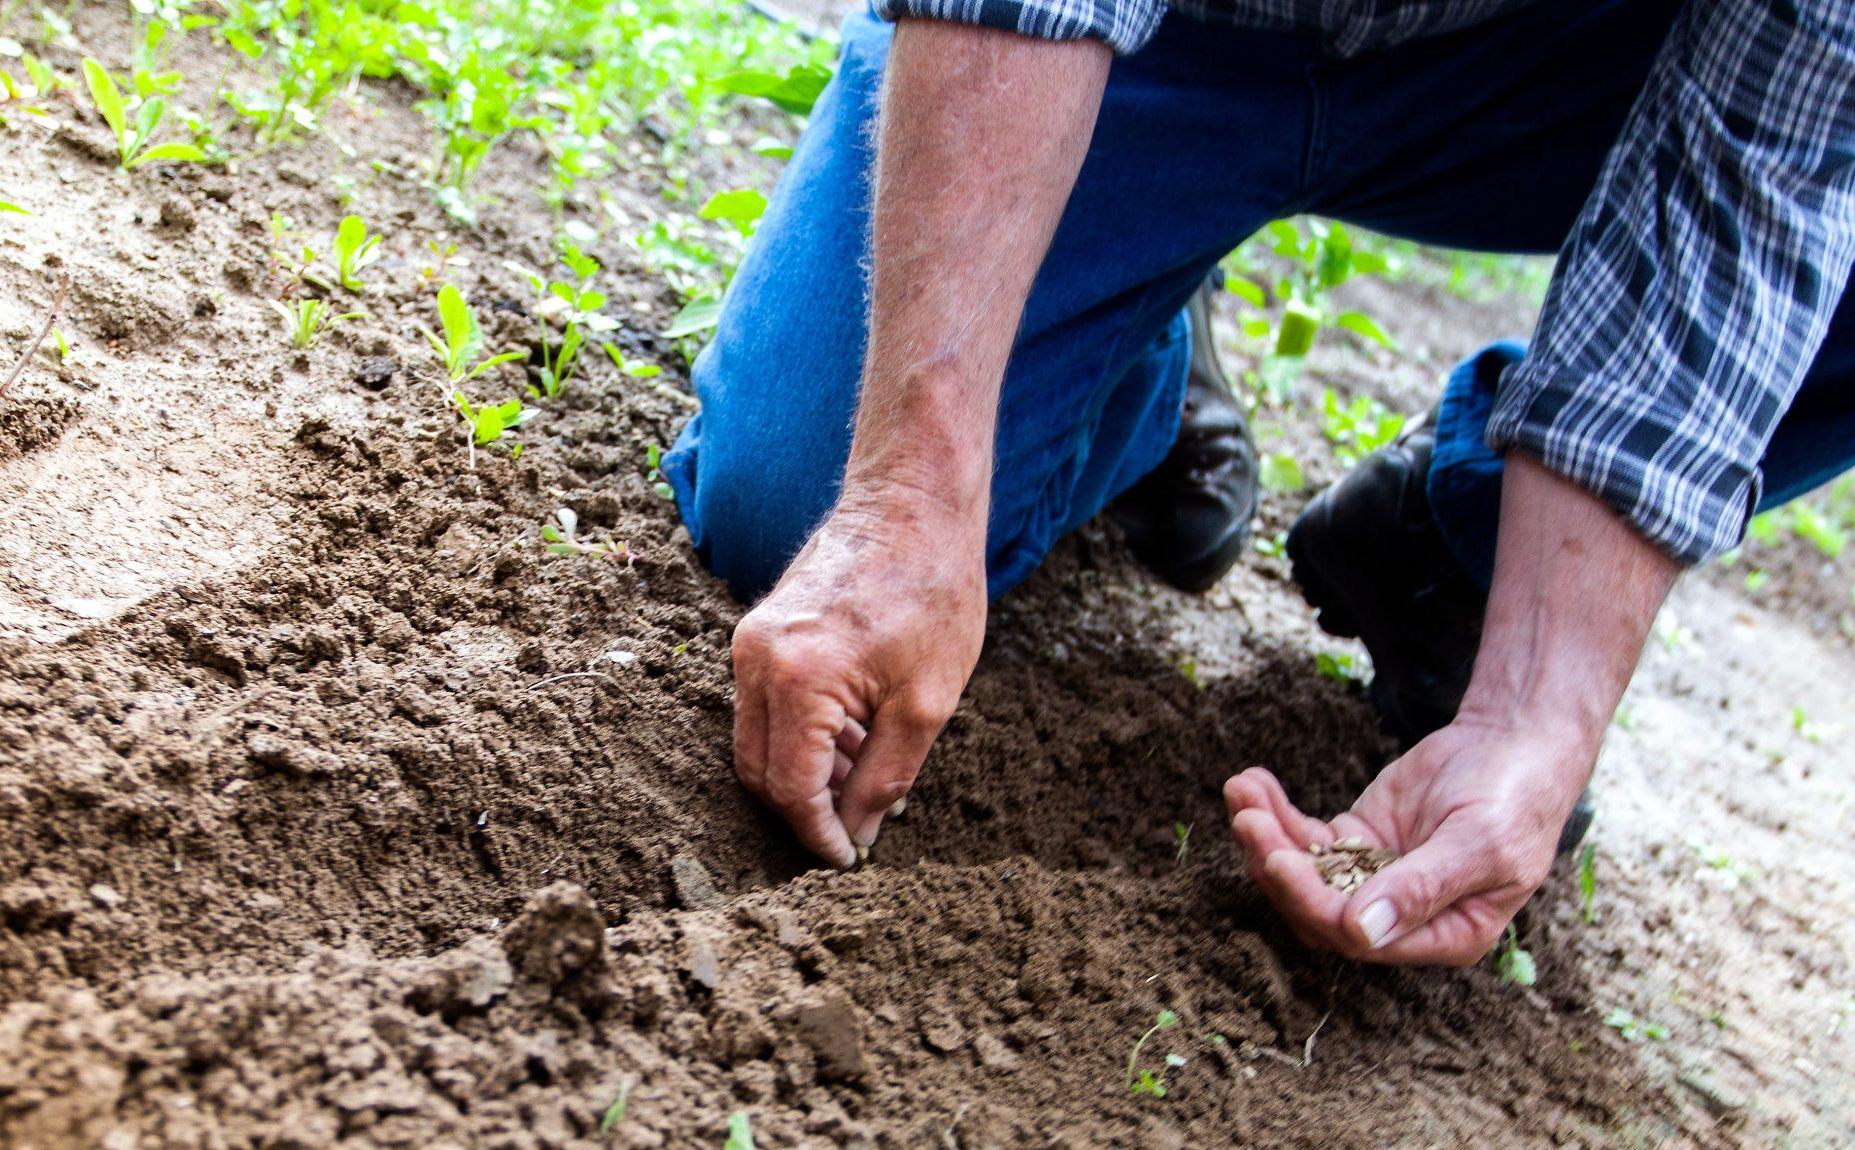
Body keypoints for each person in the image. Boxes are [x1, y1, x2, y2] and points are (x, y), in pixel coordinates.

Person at [663, 0, 1855, 966]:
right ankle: (1137, 346)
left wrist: (1535, 710)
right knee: (796, 499)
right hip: (1169, 35)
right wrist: (906, 496)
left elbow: (1769, 163)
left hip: (1552, 65)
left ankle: (1466, 545)